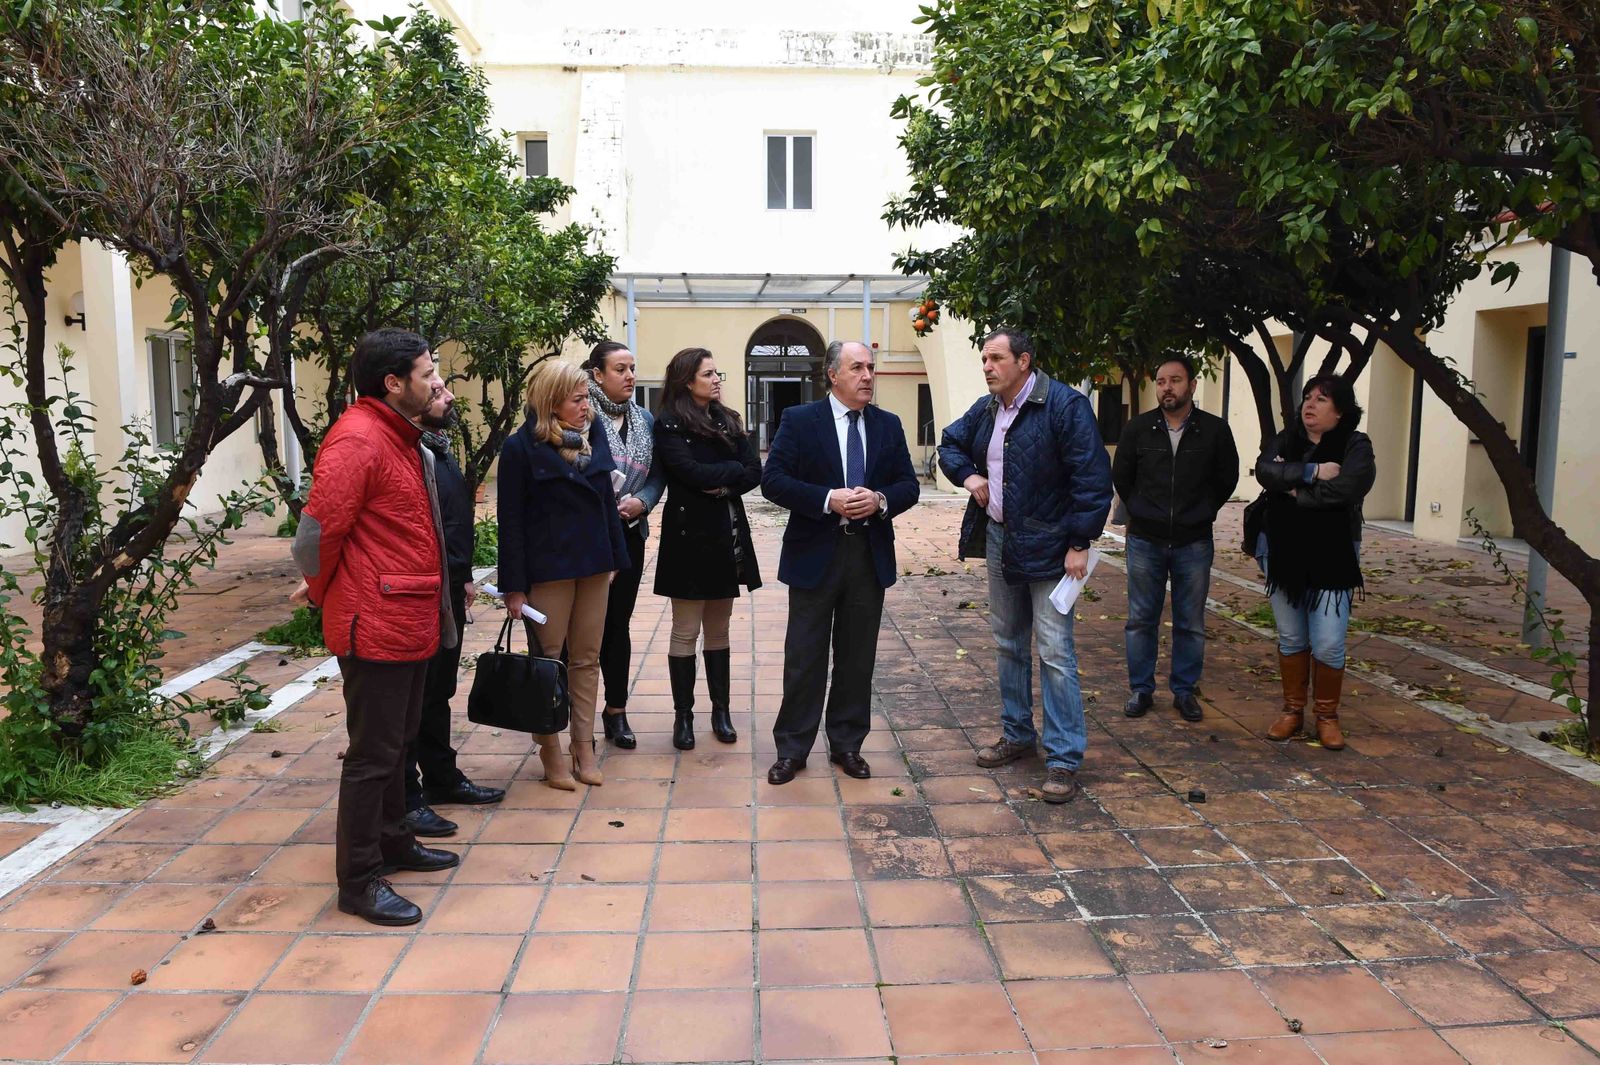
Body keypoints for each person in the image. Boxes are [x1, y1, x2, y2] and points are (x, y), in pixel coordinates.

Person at [291, 328, 460, 926]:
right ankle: (359, 881)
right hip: (376, 619)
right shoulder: (358, 440)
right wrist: (321, 592)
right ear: (394, 384)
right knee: (373, 755)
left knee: (399, 742)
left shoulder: (401, 436)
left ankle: (394, 841)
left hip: (407, 615)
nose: (437, 382)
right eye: (427, 372)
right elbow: (315, 535)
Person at [938, 328, 1112, 803]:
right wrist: (971, 476)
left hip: (1054, 548)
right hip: (1000, 541)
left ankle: (1063, 759)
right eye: (984, 360)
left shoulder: (1064, 406)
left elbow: (1092, 480)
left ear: (1024, 362)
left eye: (996, 358)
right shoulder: (989, 407)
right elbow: (948, 443)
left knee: (1055, 651)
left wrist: (1080, 542)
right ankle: (1017, 734)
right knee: (1007, 643)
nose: (988, 367)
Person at [760, 341, 921, 784]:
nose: (867, 376)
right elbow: (772, 481)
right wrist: (828, 498)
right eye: (857, 368)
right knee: (805, 655)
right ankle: (792, 748)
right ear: (833, 375)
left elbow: (909, 484)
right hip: (815, 553)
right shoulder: (800, 420)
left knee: (856, 657)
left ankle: (847, 745)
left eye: (871, 368)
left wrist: (881, 499)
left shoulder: (888, 425)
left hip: (867, 556)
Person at [498, 359, 629, 788]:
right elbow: (511, 522)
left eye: (586, 399)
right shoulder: (521, 448)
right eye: (577, 400)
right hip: (548, 570)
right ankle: (550, 748)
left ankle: (583, 745)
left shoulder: (594, 438)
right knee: (548, 662)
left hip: (593, 565)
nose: (585, 408)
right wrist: (514, 587)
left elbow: (608, 502)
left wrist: (613, 557)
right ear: (552, 402)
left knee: (587, 657)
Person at [400, 387, 506, 839]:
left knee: (439, 688)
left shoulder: (437, 447)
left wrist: (462, 575)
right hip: (412, 593)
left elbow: (452, 520)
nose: (447, 394)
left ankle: (441, 779)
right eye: (435, 385)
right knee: (408, 701)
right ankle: (406, 798)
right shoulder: (402, 449)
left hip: (446, 587)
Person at [1111, 356, 1239, 723]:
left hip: (1193, 540)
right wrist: (1141, 508)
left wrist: (1203, 510)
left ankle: (1184, 691)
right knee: (1140, 618)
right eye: (1162, 381)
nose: (1168, 387)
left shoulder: (1214, 431)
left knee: (1190, 621)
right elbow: (1123, 476)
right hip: (1145, 540)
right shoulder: (1138, 429)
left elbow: (1225, 478)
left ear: (1192, 385)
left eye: (1176, 380)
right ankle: (1141, 689)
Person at [1253, 374, 1375, 750]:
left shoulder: (1355, 444)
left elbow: (1351, 487)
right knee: (1291, 637)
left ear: (1340, 411)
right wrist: (1311, 472)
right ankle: (1292, 710)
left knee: (1327, 642)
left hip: (1332, 553)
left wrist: (1292, 491)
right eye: (1307, 397)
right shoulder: (1286, 440)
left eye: (1321, 400)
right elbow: (1264, 470)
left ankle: (1327, 715)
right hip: (1283, 550)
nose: (1309, 405)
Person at [652, 347, 762, 750]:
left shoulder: (728, 420)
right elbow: (690, 472)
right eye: (708, 374)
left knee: (719, 627)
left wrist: (726, 483)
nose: (717, 380)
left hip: (725, 535)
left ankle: (721, 711)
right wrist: (729, 473)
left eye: (718, 373)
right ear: (687, 380)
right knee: (685, 629)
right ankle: (684, 716)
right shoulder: (669, 425)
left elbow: (755, 472)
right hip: (686, 538)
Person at [585, 340, 666, 749]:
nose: (631, 376)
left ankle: (616, 712)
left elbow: (657, 474)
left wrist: (643, 502)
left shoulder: (644, 419)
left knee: (618, 626)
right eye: (620, 369)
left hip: (629, 536)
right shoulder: (580, 413)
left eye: (632, 368)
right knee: (578, 632)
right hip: (585, 540)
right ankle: (570, 714)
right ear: (597, 374)